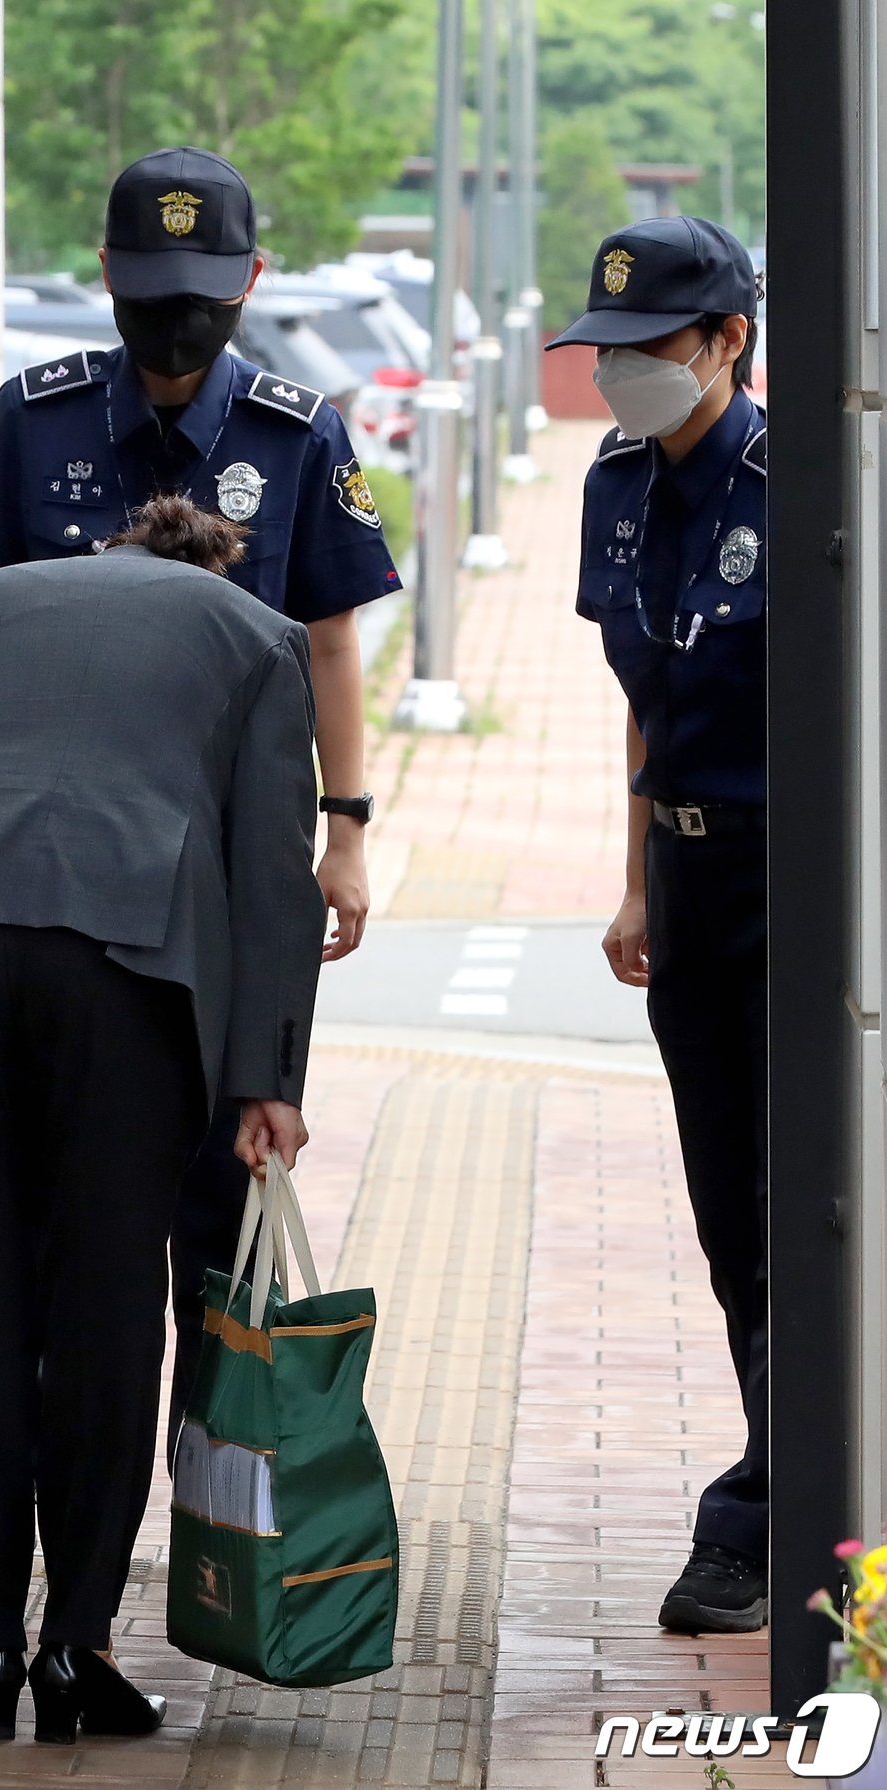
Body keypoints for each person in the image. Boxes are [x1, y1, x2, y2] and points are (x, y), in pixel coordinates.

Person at [0, 144, 400, 1452]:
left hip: (222, 890)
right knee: (45, 1204)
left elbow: (331, 640)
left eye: (203, 286)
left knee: (219, 1190)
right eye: (149, 285)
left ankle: (201, 1490)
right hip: (49, 883)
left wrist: (345, 828)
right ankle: (56, 1471)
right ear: (108, 278)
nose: (175, 317)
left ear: (250, 279)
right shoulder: (39, 417)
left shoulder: (299, 435)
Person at [0, 494, 326, 1740]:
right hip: (127, 968)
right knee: (105, 1301)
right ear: (210, 565)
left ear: (108, 550)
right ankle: (76, 1647)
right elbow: (271, 869)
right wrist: (268, 1076)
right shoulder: (258, 636)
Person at [547, 216, 767, 1634]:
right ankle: (785, 1462)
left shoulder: (803, 482)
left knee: (807, 1196)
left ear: (727, 343)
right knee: (732, 1212)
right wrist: (634, 879)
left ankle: (775, 1500)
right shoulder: (617, 485)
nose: (623, 375)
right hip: (689, 884)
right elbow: (645, 699)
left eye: (651, 352)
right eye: (608, 351)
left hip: (798, 883)